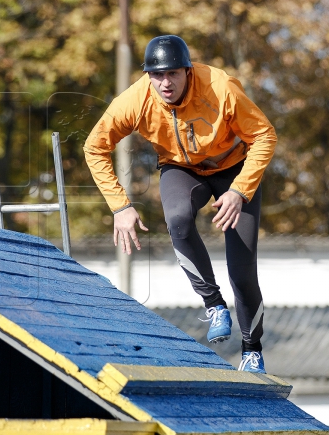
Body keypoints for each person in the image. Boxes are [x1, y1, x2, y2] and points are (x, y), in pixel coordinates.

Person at [84, 35, 277, 373]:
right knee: (177, 219)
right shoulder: (133, 100)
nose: (165, 82)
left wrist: (240, 190)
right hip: (181, 168)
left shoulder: (221, 88)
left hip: (234, 169)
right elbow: (94, 147)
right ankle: (214, 305)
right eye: (157, 75)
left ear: (188, 71)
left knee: (242, 270)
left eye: (173, 73)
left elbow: (264, 135)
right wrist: (120, 206)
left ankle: (252, 349)